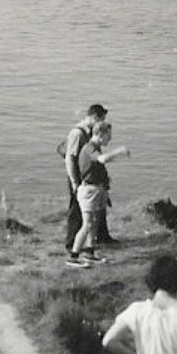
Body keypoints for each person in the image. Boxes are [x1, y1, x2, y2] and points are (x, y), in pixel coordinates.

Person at [67, 122, 129, 268]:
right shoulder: (89, 148)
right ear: (101, 134)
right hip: (89, 191)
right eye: (109, 135)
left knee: (94, 223)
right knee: (87, 224)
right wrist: (120, 151)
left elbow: (99, 163)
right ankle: (73, 257)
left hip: (97, 189)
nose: (110, 139)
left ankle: (90, 253)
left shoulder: (95, 148)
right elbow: (102, 159)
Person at [62, 104, 108, 256]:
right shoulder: (77, 133)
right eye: (101, 119)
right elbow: (69, 158)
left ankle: (99, 239)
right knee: (76, 211)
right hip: (79, 178)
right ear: (95, 117)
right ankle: (71, 244)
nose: (101, 123)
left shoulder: (89, 133)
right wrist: (74, 181)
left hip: (89, 177)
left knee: (96, 210)